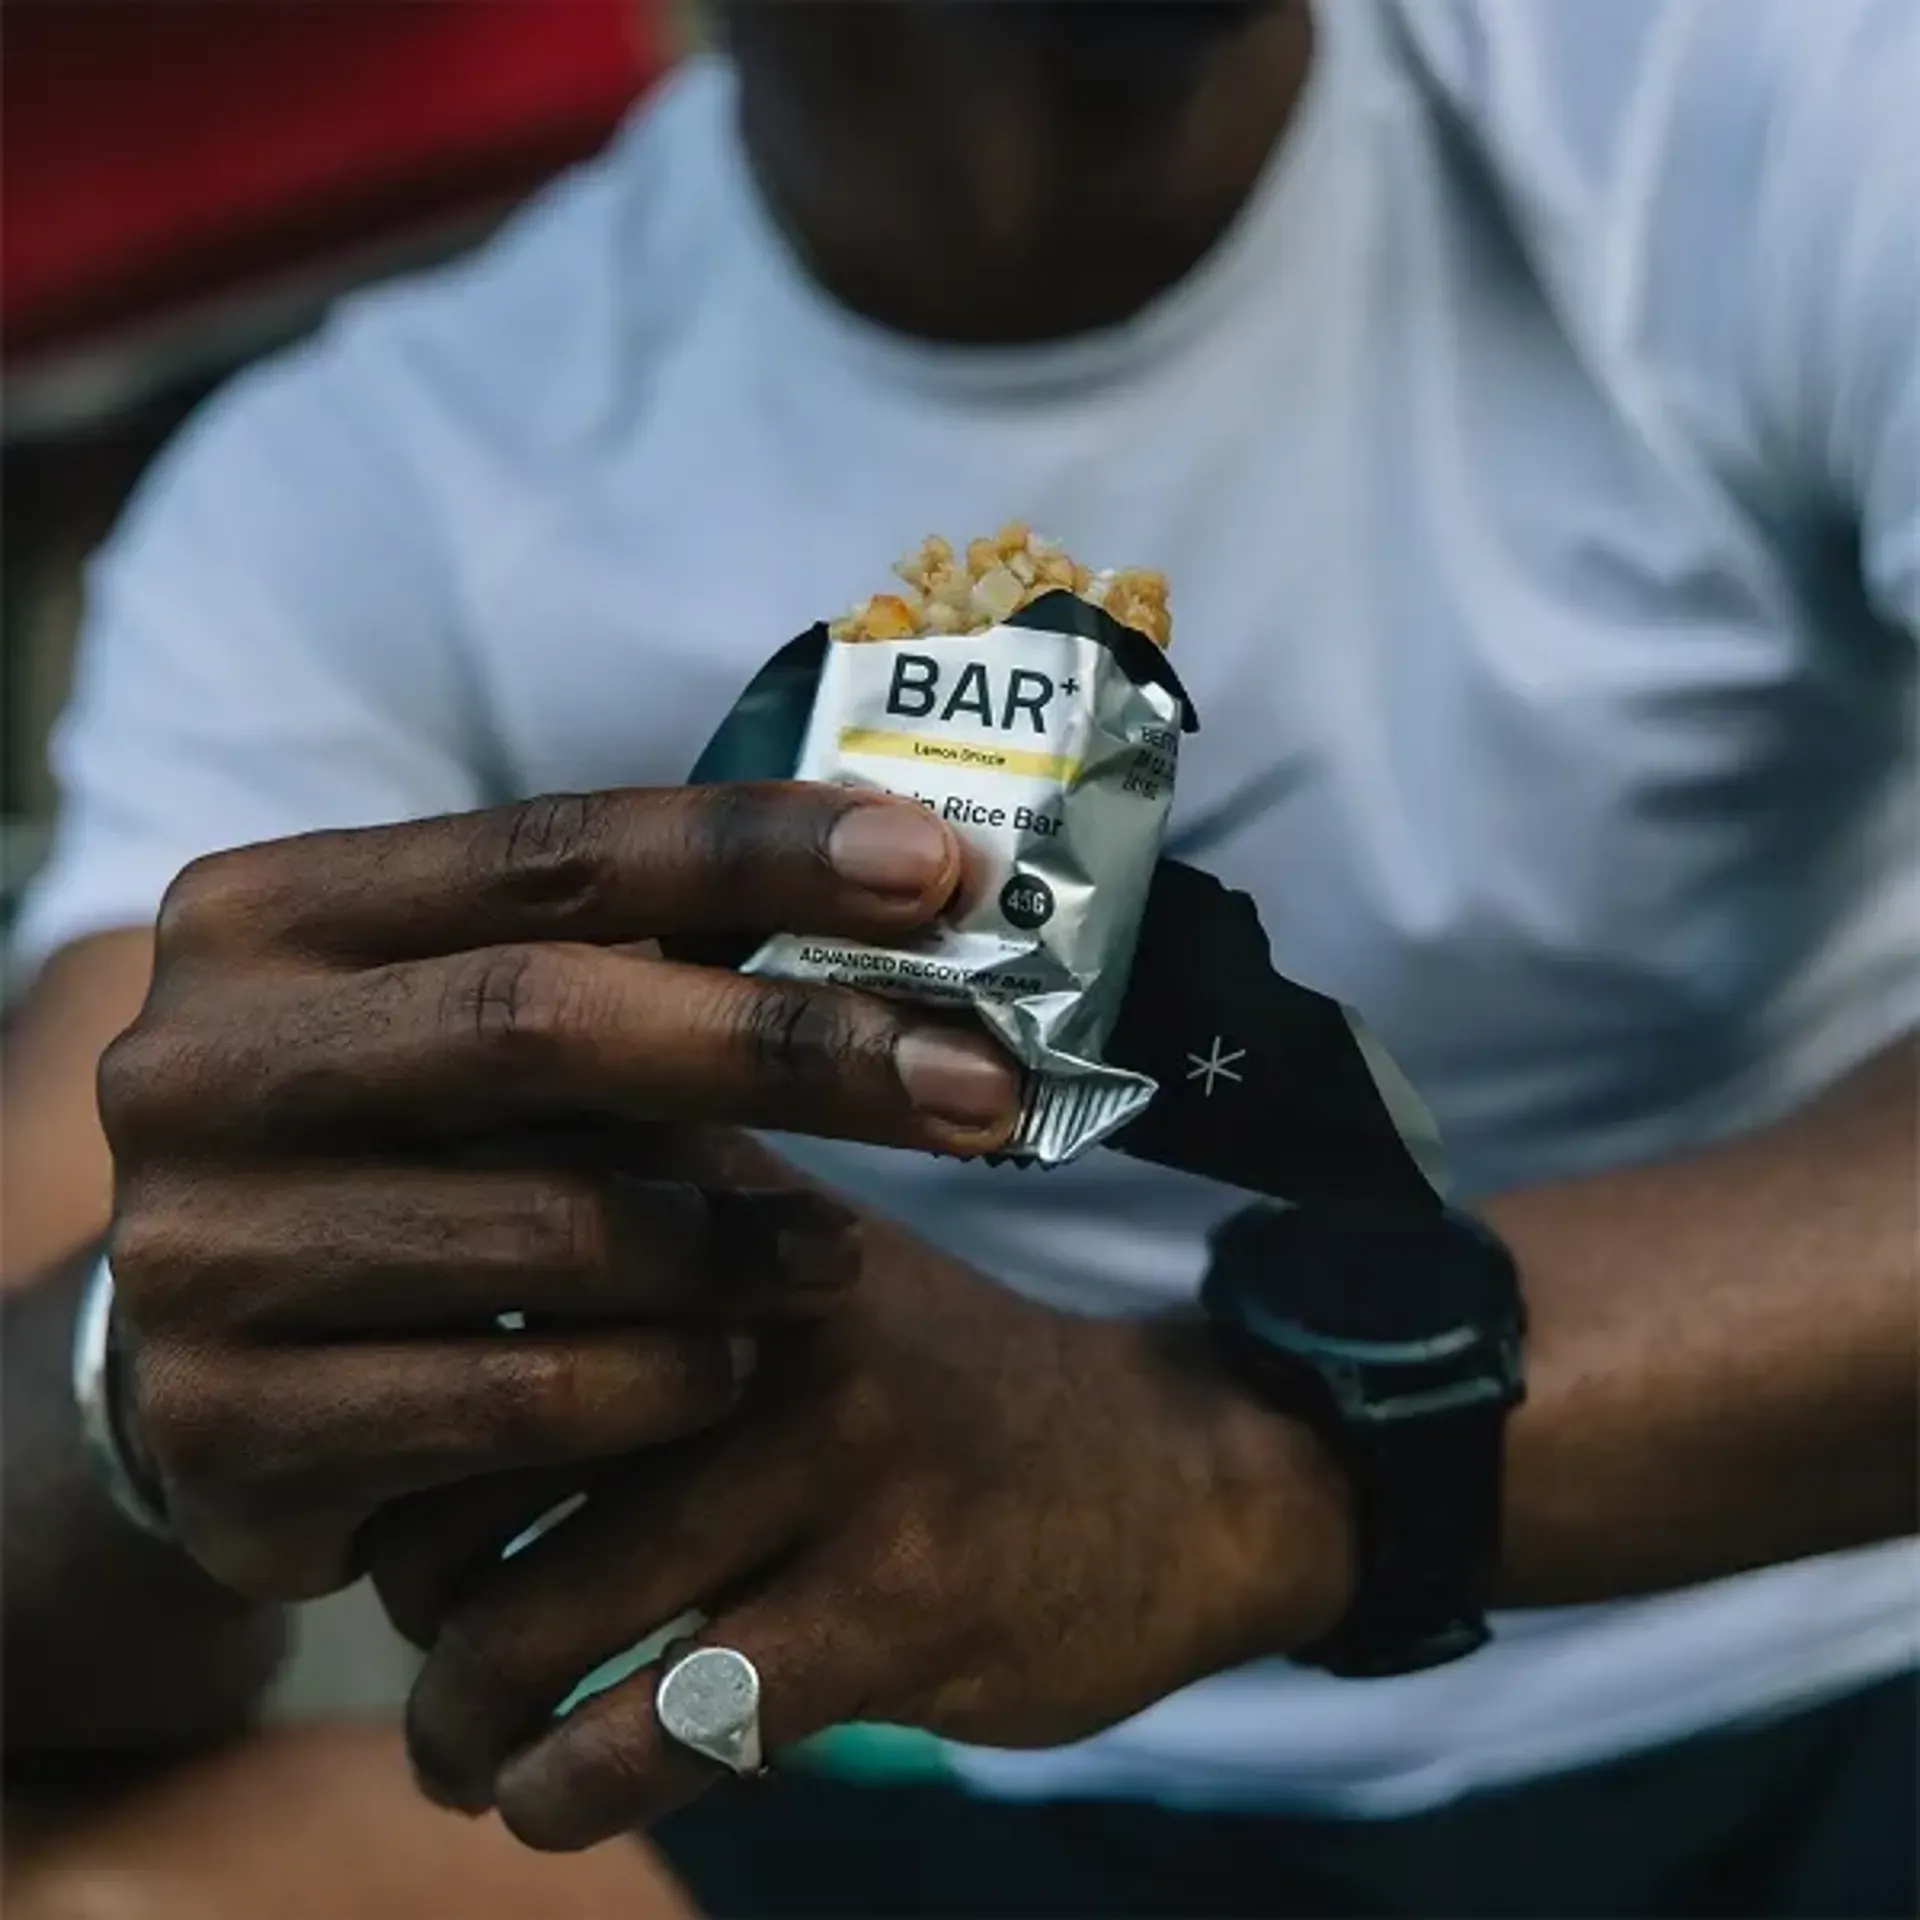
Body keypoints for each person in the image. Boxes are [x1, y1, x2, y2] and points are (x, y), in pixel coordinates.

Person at [3, 1, 1915, 1914]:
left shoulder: (1770, 113)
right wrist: (157, 1372)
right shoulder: (361, 499)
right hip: (1066, 1776)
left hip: (1838, 1620)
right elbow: (65, 1317)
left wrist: (1228, 1470)